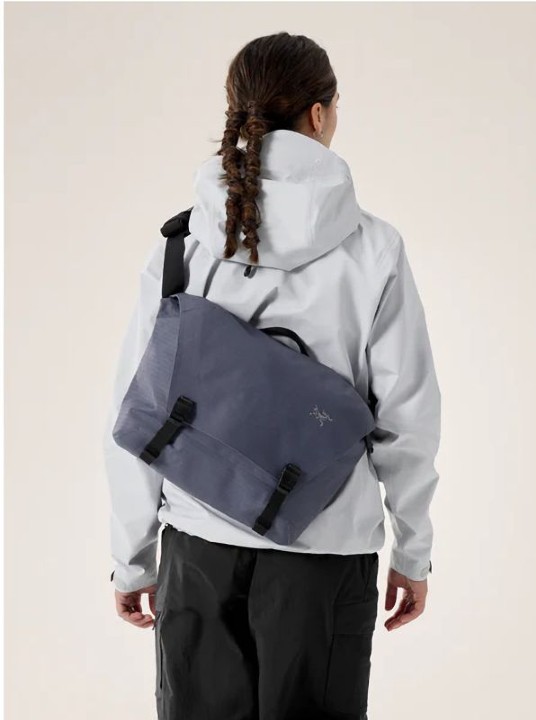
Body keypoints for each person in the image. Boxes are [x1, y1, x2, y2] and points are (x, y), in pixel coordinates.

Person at [103, 31, 441, 720]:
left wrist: (132, 557)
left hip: (198, 544)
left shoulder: (183, 245)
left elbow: (137, 411)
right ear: (318, 114)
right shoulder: (375, 250)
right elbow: (407, 417)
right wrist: (413, 549)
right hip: (327, 548)